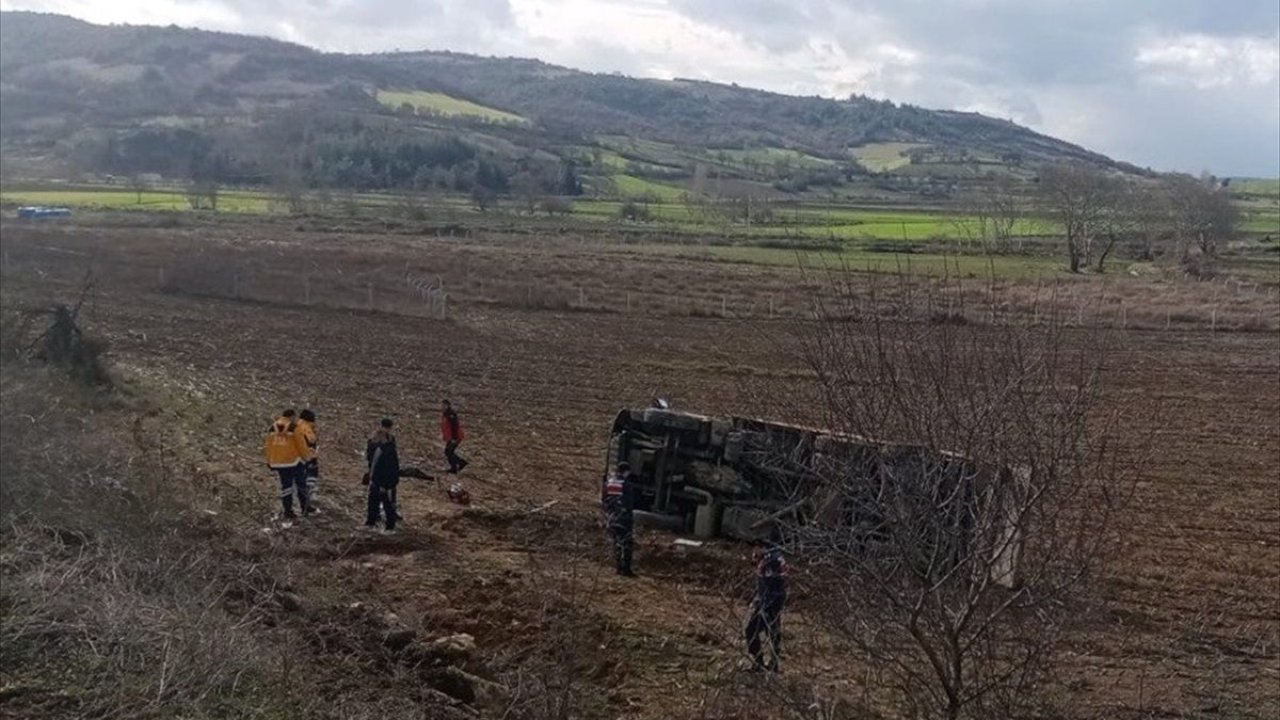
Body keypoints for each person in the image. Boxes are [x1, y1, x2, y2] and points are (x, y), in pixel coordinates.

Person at [745, 528, 789, 673]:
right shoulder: (775, 557)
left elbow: (770, 584)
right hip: (774, 600)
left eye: (755, 548)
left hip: (769, 602)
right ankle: (773, 664)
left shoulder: (770, 561)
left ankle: (759, 663)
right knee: (774, 632)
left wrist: (762, 604)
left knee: (752, 630)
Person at [263, 408, 311, 520]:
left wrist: (269, 461)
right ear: (292, 416)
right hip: (294, 461)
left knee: (286, 487)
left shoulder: (272, 428)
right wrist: (307, 458)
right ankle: (305, 507)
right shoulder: (294, 428)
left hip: (279, 463)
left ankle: (288, 511)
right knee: (301, 484)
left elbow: (268, 446)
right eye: (295, 417)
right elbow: (301, 445)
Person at [364, 418, 400, 534]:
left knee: (387, 502)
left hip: (384, 481)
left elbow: (390, 467)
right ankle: (371, 521)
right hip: (376, 479)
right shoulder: (376, 445)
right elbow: (372, 461)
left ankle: (390, 526)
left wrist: (387, 483)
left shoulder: (388, 450)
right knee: (373, 501)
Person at [601, 461, 635, 576]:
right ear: (626, 471)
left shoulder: (609, 482)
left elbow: (604, 499)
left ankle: (618, 567)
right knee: (626, 542)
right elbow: (629, 502)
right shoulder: (626, 484)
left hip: (611, 516)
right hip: (623, 516)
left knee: (616, 542)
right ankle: (626, 569)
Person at [297, 408, 320, 510]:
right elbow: (310, 442)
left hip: (299, 458)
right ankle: (306, 504)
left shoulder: (297, 425)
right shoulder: (306, 428)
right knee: (308, 479)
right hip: (307, 458)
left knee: (301, 481)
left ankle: (305, 503)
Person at [441, 400, 468, 474]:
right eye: (442, 405)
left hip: (455, 437)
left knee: (448, 452)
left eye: (444, 405)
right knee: (448, 452)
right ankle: (456, 465)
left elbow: (455, 427)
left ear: (448, 405)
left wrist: (454, 438)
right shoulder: (446, 414)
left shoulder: (451, 414)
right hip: (451, 437)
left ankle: (458, 464)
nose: (443, 407)